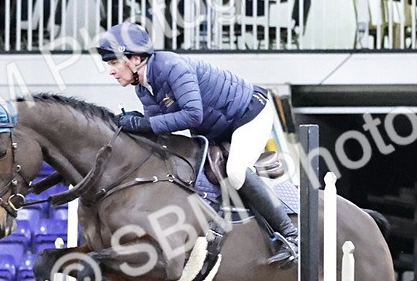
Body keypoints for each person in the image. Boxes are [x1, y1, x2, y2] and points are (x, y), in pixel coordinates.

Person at [95, 22, 298, 266]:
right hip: (217, 127)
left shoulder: (172, 67)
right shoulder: (142, 87)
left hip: (250, 114)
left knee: (234, 171)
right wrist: (135, 125)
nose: (112, 71)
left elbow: (193, 115)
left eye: (114, 63)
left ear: (135, 58)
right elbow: (156, 126)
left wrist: (144, 125)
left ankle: (292, 237)